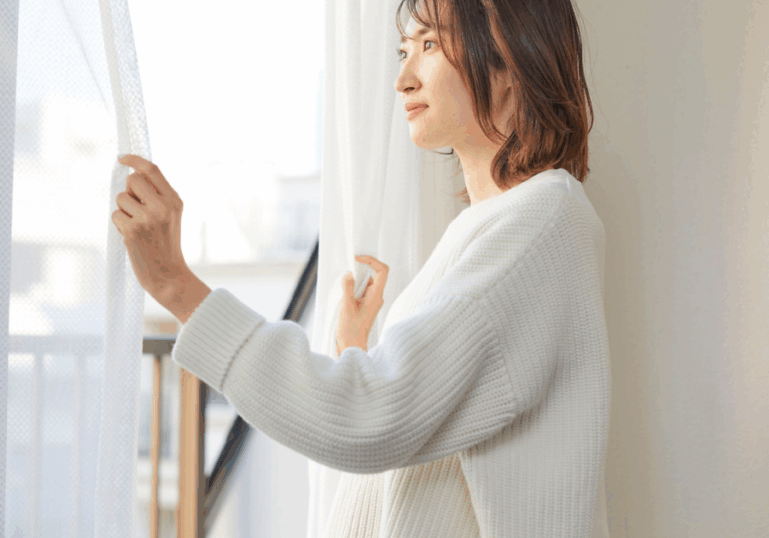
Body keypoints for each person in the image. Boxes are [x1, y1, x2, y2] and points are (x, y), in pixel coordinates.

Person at [111, 0, 609, 536]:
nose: (403, 79)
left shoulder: (537, 224)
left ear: (510, 59)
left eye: (429, 44)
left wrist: (176, 286)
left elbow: (370, 421)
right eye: (403, 51)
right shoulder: (496, 225)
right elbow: (421, 430)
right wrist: (357, 352)